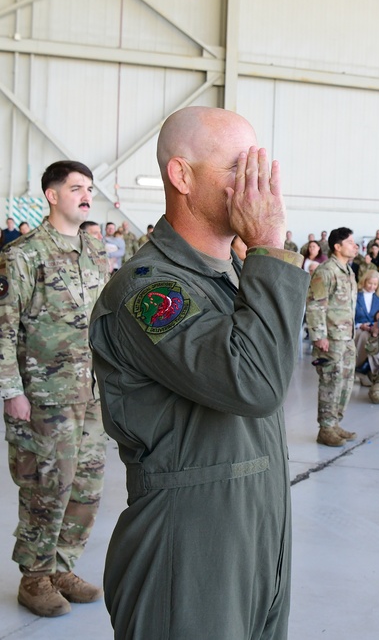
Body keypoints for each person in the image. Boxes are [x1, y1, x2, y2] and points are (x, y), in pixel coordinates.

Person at [89, 106, 310, 639]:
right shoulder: (150, 291)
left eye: (259, 168)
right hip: (188, 548)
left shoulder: (231, 276)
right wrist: (268, 247)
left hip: (256, 532)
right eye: (237, 169)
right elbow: (255, 384)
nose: (255, 186)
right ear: (182, 176)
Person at [0, 160, 109, 617]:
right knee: (49, 486)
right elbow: (3, 329)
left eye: (89, 188)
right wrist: (11, 392)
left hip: (92, 393)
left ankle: (63, 566)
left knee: (86, 486)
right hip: (45, 396)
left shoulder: (94, 250)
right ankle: (35, 577)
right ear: (52, 195)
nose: (86, 195)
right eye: (76, 188)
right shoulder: (23, 254)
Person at [305, 227, 361, 448]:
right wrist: (319, 336)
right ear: (337, 246)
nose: (355, 246)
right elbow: (315, 304)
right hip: (331, 338)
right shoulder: (326, 271)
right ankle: (325, 428)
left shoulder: (348, 271)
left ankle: (335, 422)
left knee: (345, 381)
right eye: (350, 242)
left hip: (347, 337)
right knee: (330, 381)